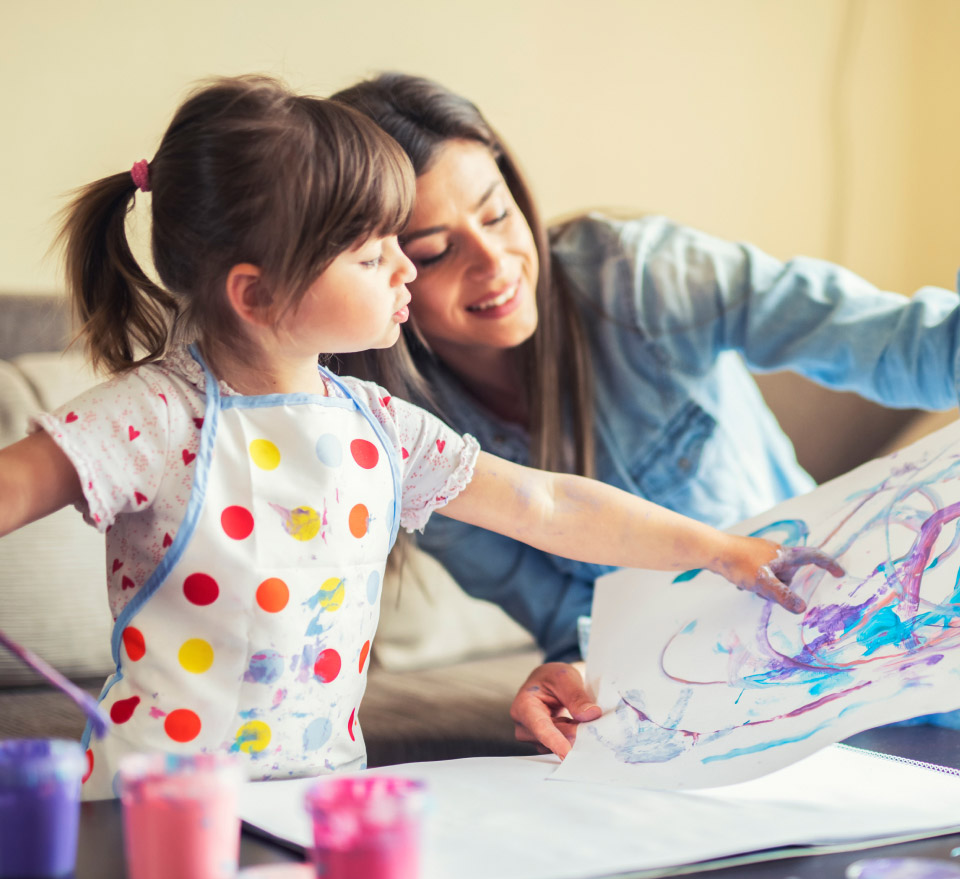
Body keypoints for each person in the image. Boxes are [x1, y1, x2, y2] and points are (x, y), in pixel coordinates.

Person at [0, 76, 838, 800]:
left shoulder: (380, 424)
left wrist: (720, 548)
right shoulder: (151, 417)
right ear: (254, 296)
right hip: (153, 803)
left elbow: (545, 503)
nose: (405, 269)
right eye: (373, 256)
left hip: (327, 795)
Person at [329, 73, 960, 758]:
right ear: (375, 268)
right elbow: (565, 620)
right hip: (690, 698)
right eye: (435, 251)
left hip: (854, 619)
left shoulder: (639, 276)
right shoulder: (411, 440)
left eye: (497, 214)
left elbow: (902, 343)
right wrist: (583, 674)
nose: (495, 264)